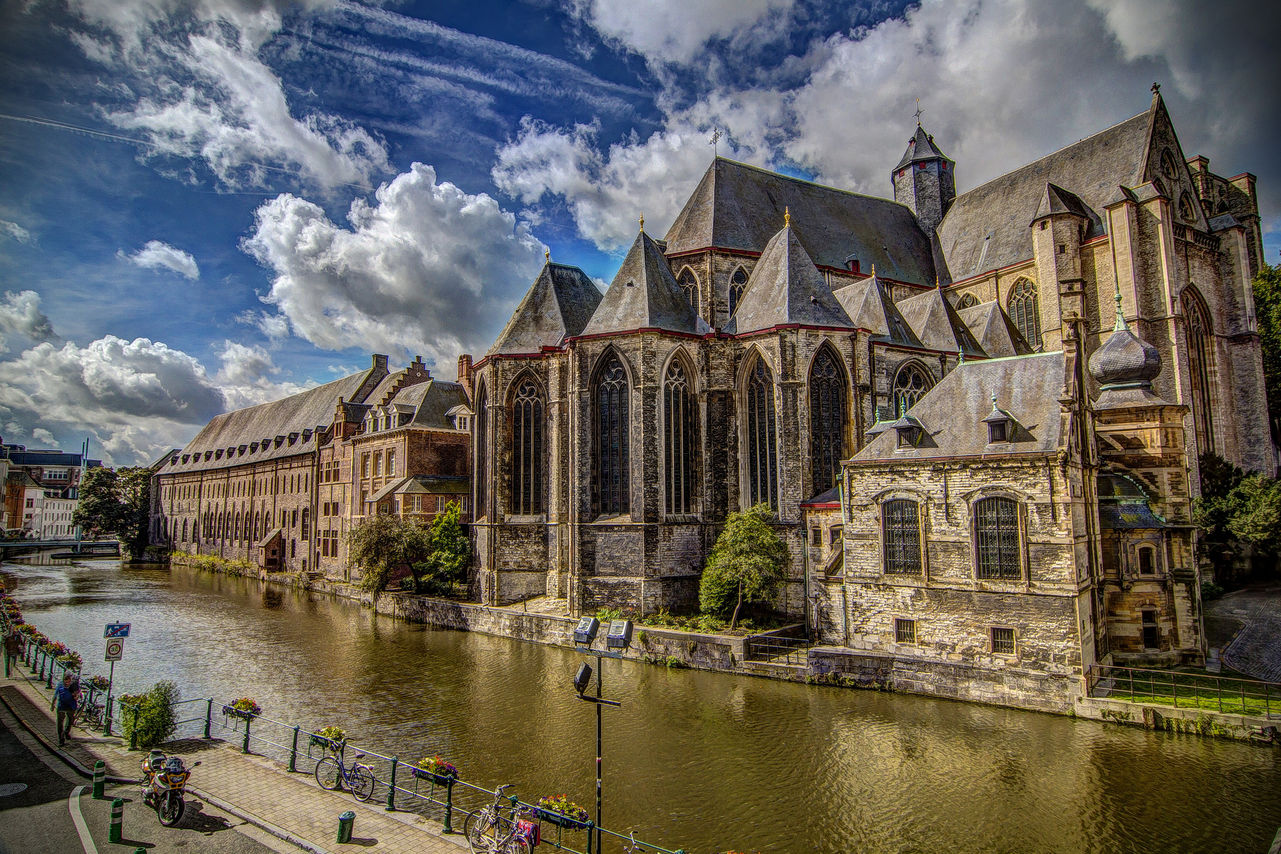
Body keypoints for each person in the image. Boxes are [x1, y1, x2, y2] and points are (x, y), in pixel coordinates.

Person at [54, 671, 77, 747]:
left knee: (67, 720)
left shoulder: (72, 684)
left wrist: (76, 696)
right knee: (63, 721)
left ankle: (64, 735)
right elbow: (56, 694)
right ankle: (63, 736)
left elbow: (78, 693)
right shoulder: (63, 684)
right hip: (65, 706)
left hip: (67, 705)